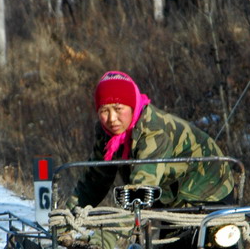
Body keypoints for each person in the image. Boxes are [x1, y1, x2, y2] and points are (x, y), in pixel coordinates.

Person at [66, 70, 235, 211]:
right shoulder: (107, 134)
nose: (111, 119)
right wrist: (66, 219)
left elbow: (139, 193)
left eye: (118, 109)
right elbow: (94, 182)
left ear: (132, 107)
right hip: (173, 194)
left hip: (210, 188)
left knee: (205, 246)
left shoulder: (153, 130)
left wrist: (104, 241)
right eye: (104, 111)